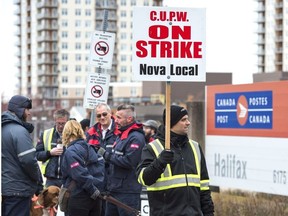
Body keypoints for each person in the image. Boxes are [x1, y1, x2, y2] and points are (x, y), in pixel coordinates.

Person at [136, 105, 215, 216]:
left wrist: (209, 213)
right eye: (183, 120)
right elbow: (143, 179)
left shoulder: (195, 147)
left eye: (187, 119)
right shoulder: (152, 148)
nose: (188, 123)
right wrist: (160, 163)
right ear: (171, 123)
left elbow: (204, 187)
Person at [97, 104, 146, 216]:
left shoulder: (136, 138)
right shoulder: (122, 135)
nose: (116, 120)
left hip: (128, 192)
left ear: (129, 119)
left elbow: (129, 161)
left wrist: (106, 155)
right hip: (114, 190)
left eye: (119, 117)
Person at [1, 95, 43, 216]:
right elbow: (29, 160)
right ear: (20, 110)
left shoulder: (3, 128)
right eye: (27, 109)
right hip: (18, 191)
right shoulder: (19, 131)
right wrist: (38, 180)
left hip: (5, 189)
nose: (29, 113)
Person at [61, 120, 105, 216]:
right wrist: (96, 190)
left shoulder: (71, 151)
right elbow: (100, 170)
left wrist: (91, 189)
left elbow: (79, 174)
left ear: (66, 133)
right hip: (95, 198)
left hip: (78, 196)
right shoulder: (92, 148)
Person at [86, 103, 120, 216]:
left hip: (115, 180)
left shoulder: (119, 131)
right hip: (97, 180)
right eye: (99, 115)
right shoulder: (90, 133)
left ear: (111, 114)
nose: (102, 117)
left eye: (104, 114)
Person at [36, 109, 70, 188]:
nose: (61, 126)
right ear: (55, 121)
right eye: (58, 123)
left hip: (67, 179)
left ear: (67, 122)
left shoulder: (72, 136)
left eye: (63, 123)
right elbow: (37, 155)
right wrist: (50, 153)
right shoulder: (46, 134)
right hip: (51, 179)